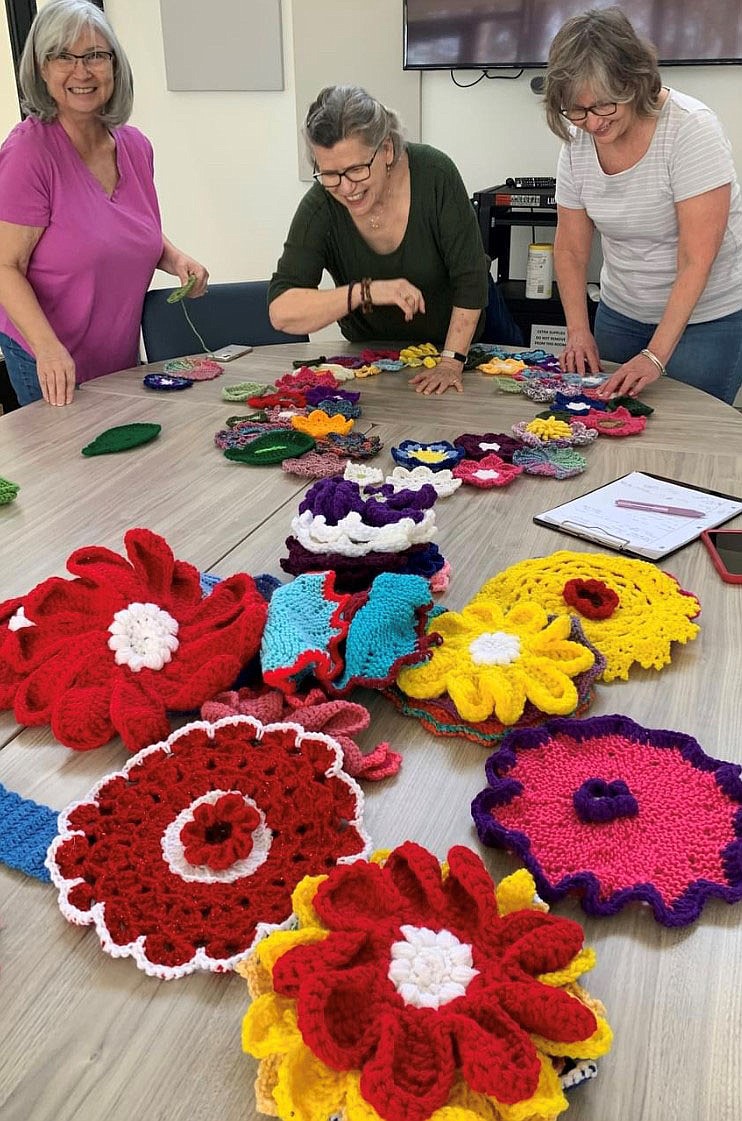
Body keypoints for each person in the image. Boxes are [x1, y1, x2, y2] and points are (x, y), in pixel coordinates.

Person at [0, 0, 208, 407]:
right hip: (46, 355)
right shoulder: (28, 154)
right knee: (68, 469)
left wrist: (174, 258)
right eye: (62, 56)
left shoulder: (135, 146)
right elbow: (5, 266)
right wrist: (47, 349)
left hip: (116, 354)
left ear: (115, 64)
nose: (82, 71)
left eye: (95, 55)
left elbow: (122, 228)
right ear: (42, 69)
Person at [268, 84, 522, 396]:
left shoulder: (434, 172)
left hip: (466, 344)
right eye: (330, 174)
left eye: (357, 169)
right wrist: (367, 292)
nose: (346, 188)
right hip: (380, 357)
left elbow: (470, 280)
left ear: (386, 149)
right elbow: (282, 311)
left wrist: (451, 362)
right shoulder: (321, 205)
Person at [543, 8, 742, 406]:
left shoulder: (691, 129)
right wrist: (578, 331)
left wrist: (655, 355)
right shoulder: (578, 143)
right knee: (608, 427)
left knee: (683, 438)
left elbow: (696, 259)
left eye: (604, 106)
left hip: (708, 319)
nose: (593, 124)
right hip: (621, 311)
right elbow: (570, 249)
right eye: (577, 111)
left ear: (634, 82)